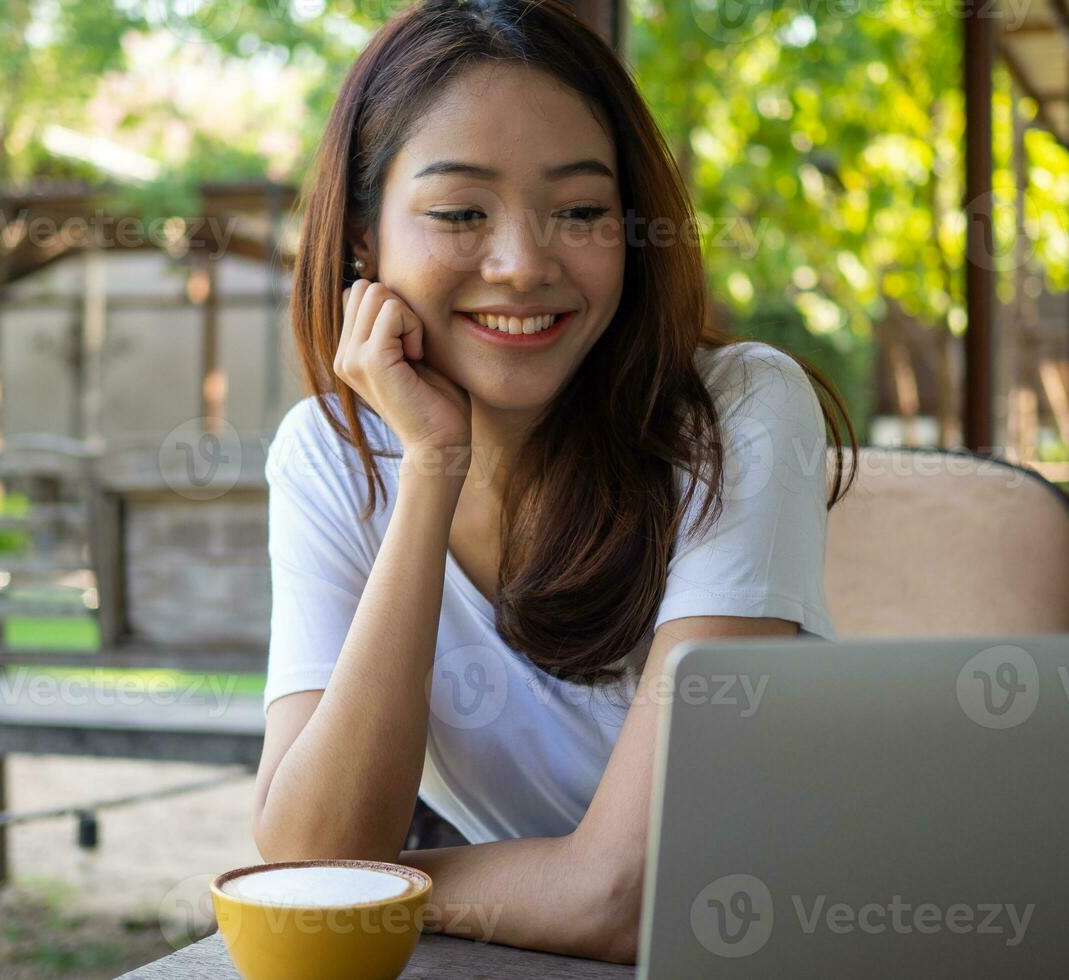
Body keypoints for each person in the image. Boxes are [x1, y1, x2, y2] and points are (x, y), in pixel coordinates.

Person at [250, 0, 857, 964]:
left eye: (580, 211)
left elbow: (626, 895)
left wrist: (378, 883)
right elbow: (313, 850)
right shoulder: (331, 454)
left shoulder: (738, 411)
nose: (525, 265)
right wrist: (431, 472)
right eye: (459, 213)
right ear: (364, 239)